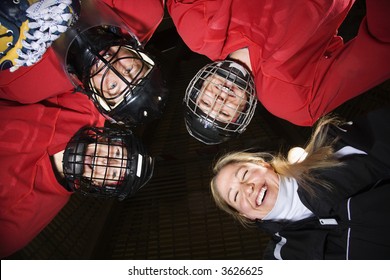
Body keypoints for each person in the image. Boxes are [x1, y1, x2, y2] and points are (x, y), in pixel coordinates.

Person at [167, 0, 390, 144]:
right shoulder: (294, 101)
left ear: (199, 88)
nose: (219, 98)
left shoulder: (196, 29)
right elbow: (380, 49)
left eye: (206, 103)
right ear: (242, 111)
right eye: (224, 113)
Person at [210, 107, 390, 259]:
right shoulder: (282, 258)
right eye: (235, 195)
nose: (247, 188)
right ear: (244, 215)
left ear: (263, 164)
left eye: (244, 174)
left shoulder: (332, 143)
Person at [0, 98, 154, 258]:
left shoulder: (21, 222)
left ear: (98, 184)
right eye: (116, 153)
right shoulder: (83, 108)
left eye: (114, 173)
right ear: (106, 139)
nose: (105, 162)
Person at [0, 0, 168, 125]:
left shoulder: (27, 85)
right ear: (141, 55)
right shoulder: (142, 10)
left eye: (112, 87)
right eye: (131, 69)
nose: (114, 67)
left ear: (95, 96)